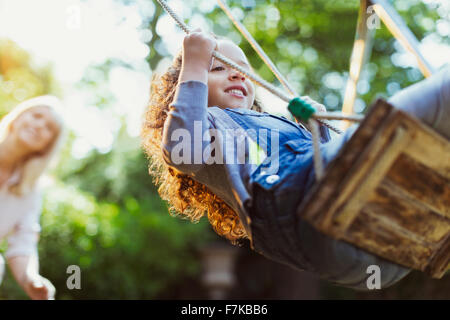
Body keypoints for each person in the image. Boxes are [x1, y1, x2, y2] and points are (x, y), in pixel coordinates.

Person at [141, 29, 449, 290]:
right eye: (217, 67)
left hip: (378, 254)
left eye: (241, 68)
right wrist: (193, 61)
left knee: (424, 162)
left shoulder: (274, 125)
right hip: (308, 213)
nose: (235, 73)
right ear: (185, 92)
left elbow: (353, 164)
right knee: (438, 98)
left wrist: (317, 129)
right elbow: (182, 152)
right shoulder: (208, 127)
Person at [0, 95, 64, 299]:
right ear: (18, 117)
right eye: (36, 116)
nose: (39, 126)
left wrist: (30, 278)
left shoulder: (30, 190)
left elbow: (23, 242)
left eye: (49, 129)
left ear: (47, 145)